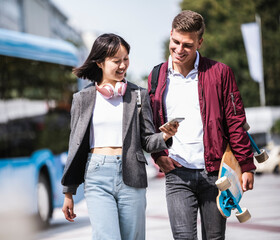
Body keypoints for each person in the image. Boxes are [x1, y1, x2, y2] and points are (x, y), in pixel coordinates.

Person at [147, 10, 256, 240]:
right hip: (177, 173)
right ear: (170, 35)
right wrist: (158, 155)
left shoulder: (219, 73)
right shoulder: (157, 75)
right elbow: (150, 123)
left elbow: (235, 121)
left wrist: (246, 165)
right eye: (175, 42)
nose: (179, 50)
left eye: (187, 45)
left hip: (216, 173)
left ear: (200, 42)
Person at [61, 33, 178, 240]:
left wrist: (164, 135)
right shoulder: (82, 99)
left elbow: (148, 141)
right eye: (117, 61)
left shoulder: (138, 95)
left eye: (126, 59)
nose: (123, 66)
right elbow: (75, 144)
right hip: (96, 174)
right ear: (99, 62)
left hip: (131, 173)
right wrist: (68, 193)